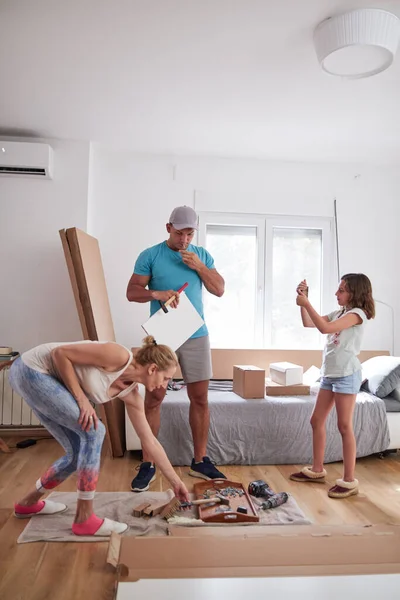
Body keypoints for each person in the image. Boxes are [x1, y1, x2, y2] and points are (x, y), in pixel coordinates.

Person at [8, 336, 190, 536]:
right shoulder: (118, 356)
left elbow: (150, 441)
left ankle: (27, 503)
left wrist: (176, 482)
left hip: (39, 380)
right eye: (166, 378)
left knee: (76, 455)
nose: (165, 385)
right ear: (153, 369)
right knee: (95, 431)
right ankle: (84, 519)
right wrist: (82, 400)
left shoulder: (132, 395)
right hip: (30, 370)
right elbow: (60, 354)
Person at [126, 205, 226, 491]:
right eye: (180, 232)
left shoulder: (202, 255)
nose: (184, 239)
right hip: (163, 335)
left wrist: (200, 267)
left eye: (190, 233)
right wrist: (155, 293)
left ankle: (200, 460)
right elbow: (131, 291)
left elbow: (219, 289)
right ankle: (148, 462)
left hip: (196, 334)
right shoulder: (150, 255)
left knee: (200, 398)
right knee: (155, 398)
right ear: (168, 227)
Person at [290, 273, 375, 499]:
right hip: (329, 373)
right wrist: (303, 299)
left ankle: (349, 481)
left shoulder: (357, 315)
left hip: (347, 374)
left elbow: (325, 329)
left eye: (341, 290)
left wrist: (306, 303)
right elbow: (309, 323)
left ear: (354, 293)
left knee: (344, 426)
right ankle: (317, 470)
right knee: (316, 420)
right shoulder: (339, 312)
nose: (336, 294)